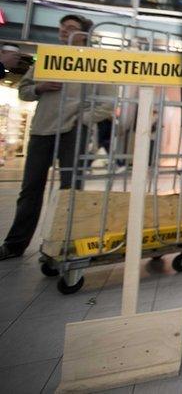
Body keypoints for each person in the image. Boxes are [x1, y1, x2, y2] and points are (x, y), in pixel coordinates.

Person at [0, 15, 113, 260]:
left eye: (71, 28)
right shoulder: (49, 58)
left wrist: (81, 120)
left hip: (74, 131)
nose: (64, 32)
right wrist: (39, 88)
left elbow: (107, 103)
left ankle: (63, 245)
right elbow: (24, 91)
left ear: (85, 35)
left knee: (70, 190)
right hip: (42, 129)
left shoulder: (96, 61)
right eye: (62, 28)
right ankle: (15, 244)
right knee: (30, 189)